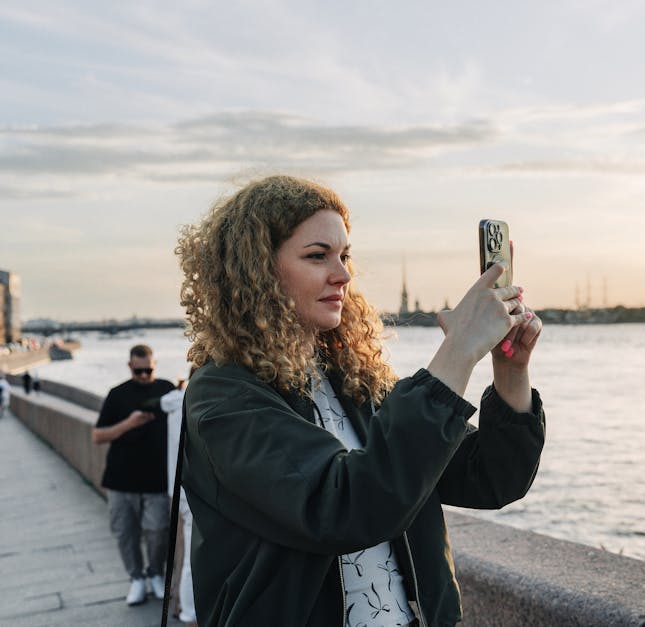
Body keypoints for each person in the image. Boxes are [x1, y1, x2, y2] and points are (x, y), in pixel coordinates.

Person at [175, 175, 545, 626]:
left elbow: (490, 478)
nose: (343, 274)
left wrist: (511, 370)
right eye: (318, 256)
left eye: (344, 256)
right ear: (256, 271)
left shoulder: (354, 378)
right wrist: (458, 350)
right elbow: (342, 507)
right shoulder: (224, 396)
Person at [92, 344, 175, 606]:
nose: (144, 375)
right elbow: (98, 436)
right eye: (138, 371)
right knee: (125, 534)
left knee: (158, 533)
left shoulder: (167, 389)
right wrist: (129, 423)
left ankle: (155, 574)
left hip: (157, 479)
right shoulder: (117, 395)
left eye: (148, 370)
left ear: (155, 364)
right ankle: (136, 579)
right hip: (120, 480)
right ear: (130, 367)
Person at [160, 374, 197, 626]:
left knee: (185, 557)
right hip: (191, 492)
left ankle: (183, 609)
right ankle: (189, 614)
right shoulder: (190, 407)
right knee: (191, 562)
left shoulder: (174, 405)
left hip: (177, 490)